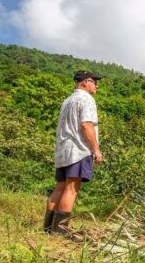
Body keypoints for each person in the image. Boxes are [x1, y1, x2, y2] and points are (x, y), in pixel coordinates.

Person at [43, 70, 103, 236]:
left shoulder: (68, 100)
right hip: (78, 150)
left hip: (63, 151)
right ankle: (60, 231)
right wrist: (96, 149)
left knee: (60, 187)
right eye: (94, 82)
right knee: (71, 188)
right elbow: (86, 125)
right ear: (85, 82)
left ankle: (48, 228)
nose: (96, 86)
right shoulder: (86, 99)